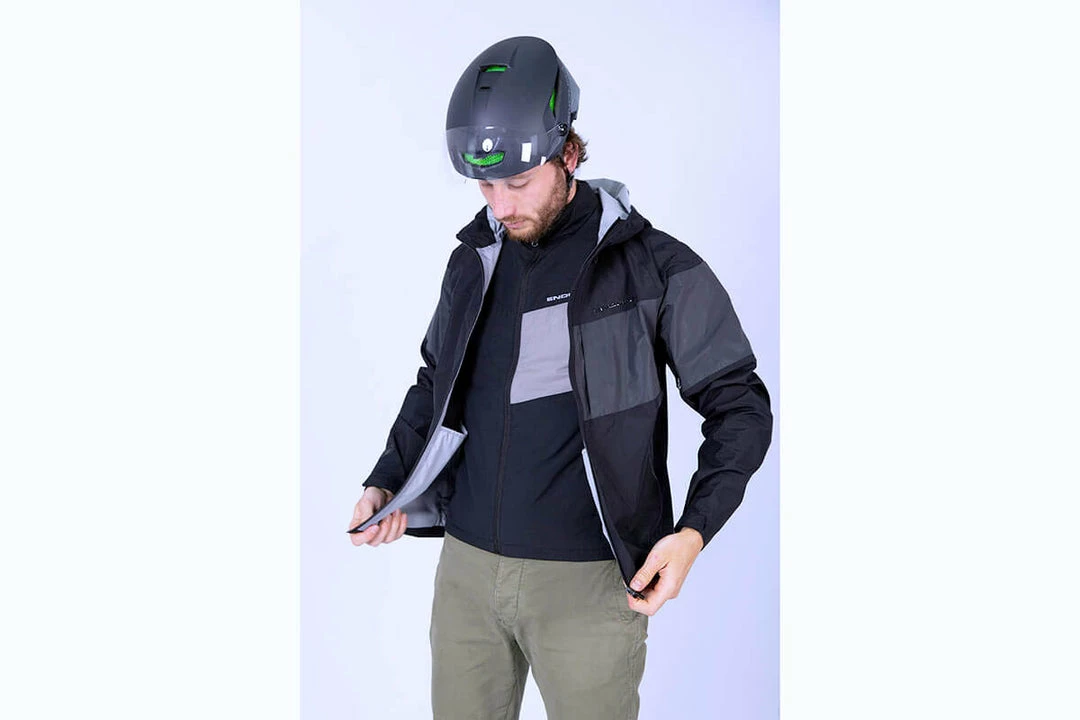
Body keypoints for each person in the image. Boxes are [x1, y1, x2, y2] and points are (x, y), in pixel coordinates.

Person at [348, 35, 772, 720]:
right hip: (466, 574)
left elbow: (740, 406)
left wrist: (693, 531)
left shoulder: (654, 268)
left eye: (518, 183)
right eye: (485, 185)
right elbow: (435, 381)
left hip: (589, 583)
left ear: (569, 154)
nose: (500, 204)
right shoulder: (474, 260)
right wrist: (388, 479)